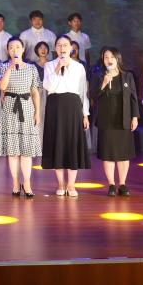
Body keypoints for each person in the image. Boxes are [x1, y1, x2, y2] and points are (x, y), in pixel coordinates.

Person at [42, 35, 90, 197]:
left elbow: (83, 92)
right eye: (59, 45)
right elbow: (48, 86)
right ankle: (61, 183)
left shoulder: (79, 67)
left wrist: (85, 114)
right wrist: (58, 68)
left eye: (65, 45)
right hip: (55, 106)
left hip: (73, 106)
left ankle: (71, 184)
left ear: (71, 48)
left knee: (72, 143)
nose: (62, 48)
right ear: (55, 48)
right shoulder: (49, 65)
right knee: (57, 143)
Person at [0, 38, 41, 197]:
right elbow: (2, 86)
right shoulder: (2, 66)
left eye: (17, 47)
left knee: (26, 150)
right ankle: (16, 182)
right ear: (8, 50)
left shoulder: (31, 68)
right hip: (10, 108)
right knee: (13, 151)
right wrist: (10, 67)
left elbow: (35, 92)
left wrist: (37, 112)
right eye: (11, 47)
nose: (14, 50)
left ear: (23, 49)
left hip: (27, 107)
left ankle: (27, 183)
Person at [94, 47, 139, 196]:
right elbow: (92, 95)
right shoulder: (99, 76)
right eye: (106, 57)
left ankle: (123, 184)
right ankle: (112, 184)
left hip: (123, 119)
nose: (109, 60)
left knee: (123, 153)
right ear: (103, 60)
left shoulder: (127, 76)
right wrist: (103, 83)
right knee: (108, 153)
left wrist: (134, 117)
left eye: (112, 57)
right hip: (106, 120)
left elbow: (133, 98)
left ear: (118, 58)